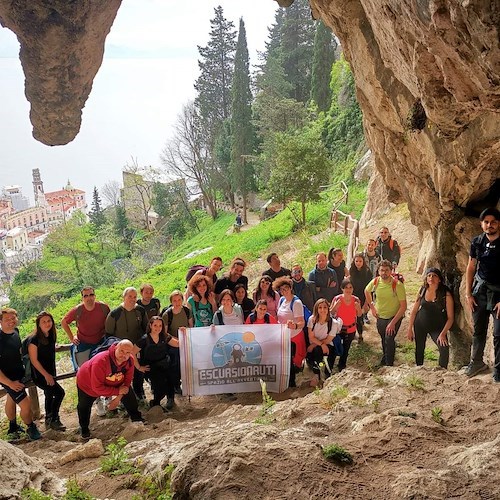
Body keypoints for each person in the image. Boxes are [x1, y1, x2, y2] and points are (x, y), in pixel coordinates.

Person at [76, 339, 144, 439]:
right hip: (88, 383)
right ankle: (84, 429)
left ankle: (136, 418)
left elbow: (127, 383)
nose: (124, 355)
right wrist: (116, 391)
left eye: (128, 352)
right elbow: (97, 387)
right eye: (121, 351)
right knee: (84, 406)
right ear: (116, 348)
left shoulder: (130, 361)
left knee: (129, 395)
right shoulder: (100, 361)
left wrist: (117, 399)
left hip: (115, 380)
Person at [464, 207, 500, 379]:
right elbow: (471, 267)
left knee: (498, 333)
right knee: (479, 330)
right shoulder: (477, 241)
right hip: (480, 292)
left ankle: (498, 370)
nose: (489, 225)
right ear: (481, 224)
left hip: (498, 294)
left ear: (498, 224)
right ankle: (476, 362)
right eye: (486, 222)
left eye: (493, 222)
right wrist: (468, 294)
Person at [0, 308, 42, 440]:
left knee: (11, 399)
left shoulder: (15, 332)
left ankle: (13, 427)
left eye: (13, 318)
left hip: (19, 374)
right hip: (7, 378)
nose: (11, 322)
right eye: (7, 319)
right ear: (0, 321)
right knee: (26, 404)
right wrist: (9, 383)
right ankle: (30, 427)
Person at [105, 287, 148, 400]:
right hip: (121, 350)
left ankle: (139, 391)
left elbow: (146, 329)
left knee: (139, 371)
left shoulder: (141, 311)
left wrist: (140, 344)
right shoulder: (115, 313)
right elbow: (109, 335)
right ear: (124, 297)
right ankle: (124, 397)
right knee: (122, 373)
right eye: (130, 296)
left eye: (135, 297)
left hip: (137, 347)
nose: (132, 299)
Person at [26, 311, 66, 431]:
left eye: (49, 321)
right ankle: (54, 418)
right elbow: (34, 361)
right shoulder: (33, 340)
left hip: (50, 371)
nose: (47, 323)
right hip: (40, 374)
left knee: (49, 394)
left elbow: (47, 349)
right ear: (38, 324)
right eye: (44, 321)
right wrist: (46, 375)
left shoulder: (51, 335)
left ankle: (49, 419)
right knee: (60, 393)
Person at [407, 268, 453, 368]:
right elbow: (414, 310)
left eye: (434, 276)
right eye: (429, 275)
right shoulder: (422, 290)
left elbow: (450, 318)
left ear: (439, 279)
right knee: (419, 348)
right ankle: (419, 368)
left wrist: (443, 333)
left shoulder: (446, 294)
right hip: (420, 323)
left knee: (444, 347)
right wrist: (410, 328)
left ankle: (442, 370)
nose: (431, 278)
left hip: (436, 326)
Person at [365, 260, 407, 366]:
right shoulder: (375, 282)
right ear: (378, 271)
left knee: (389, 338)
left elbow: (403, 306)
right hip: (381, 316)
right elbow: (366, 291)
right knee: (384, 338)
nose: (384, 273)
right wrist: (372, 307)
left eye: (386, 270)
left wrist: (393, 323)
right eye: (382, 270)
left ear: (391, 271)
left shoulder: (397, 285)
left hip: (395, 316)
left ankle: (389, 364)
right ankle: (385, 358)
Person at [135, 316, 179, 410]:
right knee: (159, 387)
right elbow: (132, 352)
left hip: (164, 364)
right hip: (151, 368)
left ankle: (170, 399)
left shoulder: (164, 336)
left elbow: (178, 343)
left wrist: (184, 332)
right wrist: (139, 367)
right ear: (150, 325)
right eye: (155, 325)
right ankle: (155, 403)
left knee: (170, 380)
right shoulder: (144, 339)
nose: (158, 328)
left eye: (160, 325)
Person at [61, 286, 110, 368]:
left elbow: (111, 320)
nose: (89, 298)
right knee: (84, 368)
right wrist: (72, 337)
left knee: (101, 368)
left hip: (100, 342)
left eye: (91, 295)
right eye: (85, 296)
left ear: (95, 296)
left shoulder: (103, 307)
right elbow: (64, 322)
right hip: (83, 344)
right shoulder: (77, 310)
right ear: (82, 298)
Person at [274, 277, 306, 387]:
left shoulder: (296, 303)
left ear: (291, 288)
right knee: (285, 361)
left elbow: (302, 322)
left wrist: (295, 325)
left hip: (294, 336)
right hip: (284, 336)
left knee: (292, 362)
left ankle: (292, 385)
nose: (284, 291)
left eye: (286, 288)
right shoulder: (282, 300)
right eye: (281, 289)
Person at [306, 298, 343, 386]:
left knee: (329, 359)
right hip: (316, 346)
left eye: (325, 307)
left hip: (328, 344)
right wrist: (320, 344)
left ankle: (327, 374)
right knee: (317, 352)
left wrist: (321, 344)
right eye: (320, 307)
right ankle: (317, 374)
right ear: (316, 309)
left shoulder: (333, 323)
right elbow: (311, 336)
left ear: (328, 308)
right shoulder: (312, 320)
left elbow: (329, 339)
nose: (322, 310)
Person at [162, 290, 192, 394]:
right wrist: (175, 340)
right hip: (172, 344)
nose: (177, 302)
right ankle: (176, 385)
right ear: (171, 302)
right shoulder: (167, 314)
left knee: (186, 364)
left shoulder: (187, 311)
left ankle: (186, 383)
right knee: (175, 364)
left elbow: (191, 326)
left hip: (186, 341)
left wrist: (186, 331)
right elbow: (164, 333)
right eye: (174, 300)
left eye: (179, 300)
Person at [331, 279, 362, 371]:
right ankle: (329, 368)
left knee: (346, 349)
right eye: (346, 288)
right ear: (342, 289)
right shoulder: (337, 299)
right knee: (334, 348)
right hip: (338, 329)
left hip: (351, 329)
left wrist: (358, 308)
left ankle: (341, 367)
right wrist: (335, 306)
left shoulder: (356, 300)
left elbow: (359, 315)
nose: (348, 290)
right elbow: (330, 313)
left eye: (350, 287)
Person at [349, 253, 373, 338]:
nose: (358, 263)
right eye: (356, 261)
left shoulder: (367, 272)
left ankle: (360, 335)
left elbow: (369, 289)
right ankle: (354, 333)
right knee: (354, 316)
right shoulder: (352, 271)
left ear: (363, 262)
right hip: (354, 297)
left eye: (360, 261)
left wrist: (367, 303)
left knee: (359, 317)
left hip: (364, 297)